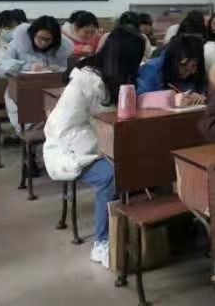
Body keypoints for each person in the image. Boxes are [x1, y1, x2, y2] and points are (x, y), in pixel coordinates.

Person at [43, 26, 146, 269]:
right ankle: (102, 243)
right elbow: (63, 128)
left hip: (107, 143)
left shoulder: (119, 78)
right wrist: (102, 148)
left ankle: (135, 231)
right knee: (110, 175)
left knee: (144, 163)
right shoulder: (84, 81)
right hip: (72, 149)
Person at [0, 16, 73, 133]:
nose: (43, 42)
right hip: (21, 93)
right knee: (35, 124)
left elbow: (64, 72)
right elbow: (1, 64)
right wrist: (26, 66)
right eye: (40, 38)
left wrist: (56, 69)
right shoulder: (18, 43)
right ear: (32, 34)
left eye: (48, 40)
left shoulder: (60, 49)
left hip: (50, 92)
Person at [136, 34, 206, 106]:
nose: (192, 71)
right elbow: (140, 100)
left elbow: (196, 90)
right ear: (175, 61)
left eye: (195, 66)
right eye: (185, 69)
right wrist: (171, 100)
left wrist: (197, 97)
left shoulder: (194, 72)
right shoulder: (151, 69)